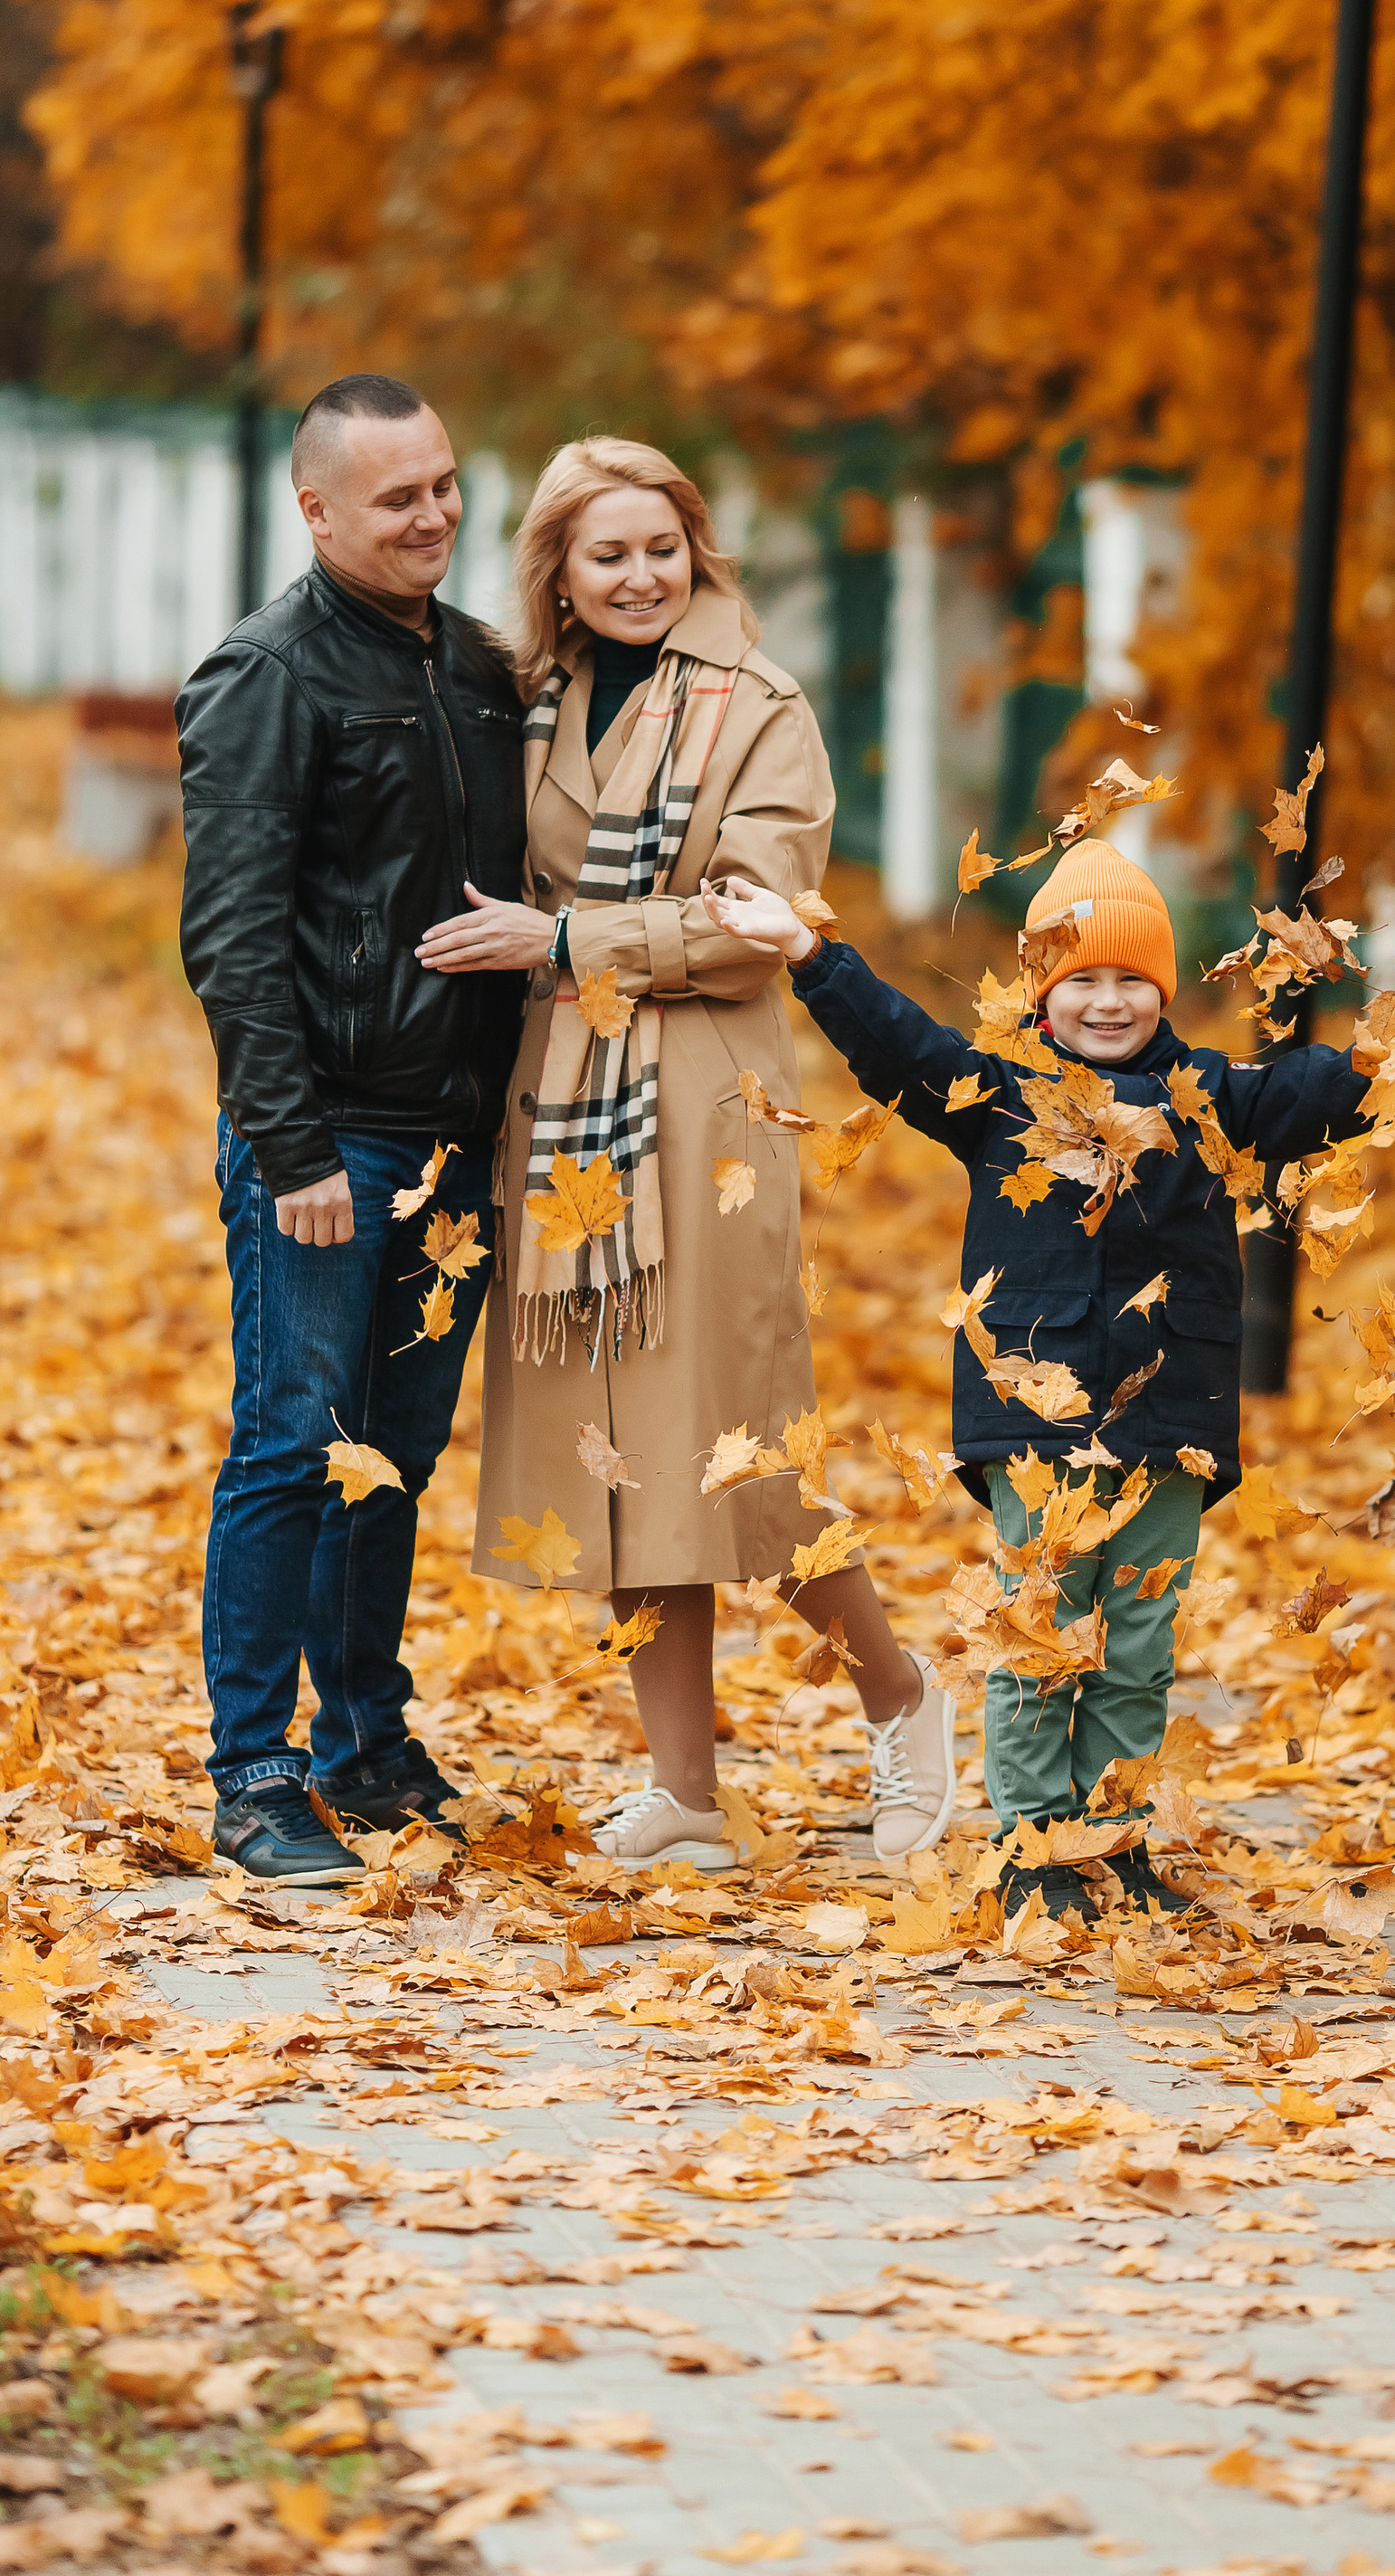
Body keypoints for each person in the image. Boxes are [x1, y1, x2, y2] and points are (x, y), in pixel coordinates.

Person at [704, 837, 1395, 1922]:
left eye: (1131, 978)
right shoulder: (995, 1093)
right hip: (1035, 1417)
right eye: (1081, 978)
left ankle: (1111, 1840)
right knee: (1039, 1635)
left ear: (1162, 987)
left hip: (1171, 1416)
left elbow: (1340, 1089)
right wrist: (809, 949)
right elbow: (899, 1048)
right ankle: (1033, 1848)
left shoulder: (1210, 1096)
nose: (1109, 999)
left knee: (1135, 1647)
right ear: (1045, 990)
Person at [413, 433, 955, 1872]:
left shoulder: (758, 707)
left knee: (730, 1453)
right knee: (617, 1460)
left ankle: (901, 1697)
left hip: (704, 1108)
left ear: (695, 552)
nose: (640, 574)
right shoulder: (530, 705)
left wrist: (575, 939)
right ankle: (686, 1791)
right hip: (565, 1104)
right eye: (609, 555)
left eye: (662, 547)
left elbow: (762, 917)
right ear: (562, 578)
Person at [176, 373, 527, 1886]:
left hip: (455, 1146)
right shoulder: (269, 672)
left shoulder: (482, 667)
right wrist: (293, 1148)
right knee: (292, 1448)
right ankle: (255, 1771)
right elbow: (234, 930)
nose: (434, 514)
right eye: (399, 498)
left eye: (445, 484)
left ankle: (363, 1740)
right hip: (330, 1145)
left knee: (394, 1456)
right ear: (317, 511)